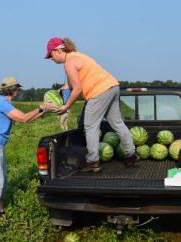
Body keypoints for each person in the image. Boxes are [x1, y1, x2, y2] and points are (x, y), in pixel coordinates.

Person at [45, 37, 139, 172]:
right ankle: (131, 154)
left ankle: (92, 161)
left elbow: (77, 89)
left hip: (98, 91)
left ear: (57, 50)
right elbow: (71, 85)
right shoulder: (76, 56)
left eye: (50, 55)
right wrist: (59, 93)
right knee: (117, 122)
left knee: (90, 126)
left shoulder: (69, 62)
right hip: (112, 86)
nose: (51, 59)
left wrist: (66, 106)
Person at [0, 76, 56, 219]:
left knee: (3, 177)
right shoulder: (2, 103)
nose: (18, 91)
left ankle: (0, 208)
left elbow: (26, 120)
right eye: (17, 88)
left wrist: (44, 111)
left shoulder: (3, 102)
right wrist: (41, 107)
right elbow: (23, 118)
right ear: (14, 90)